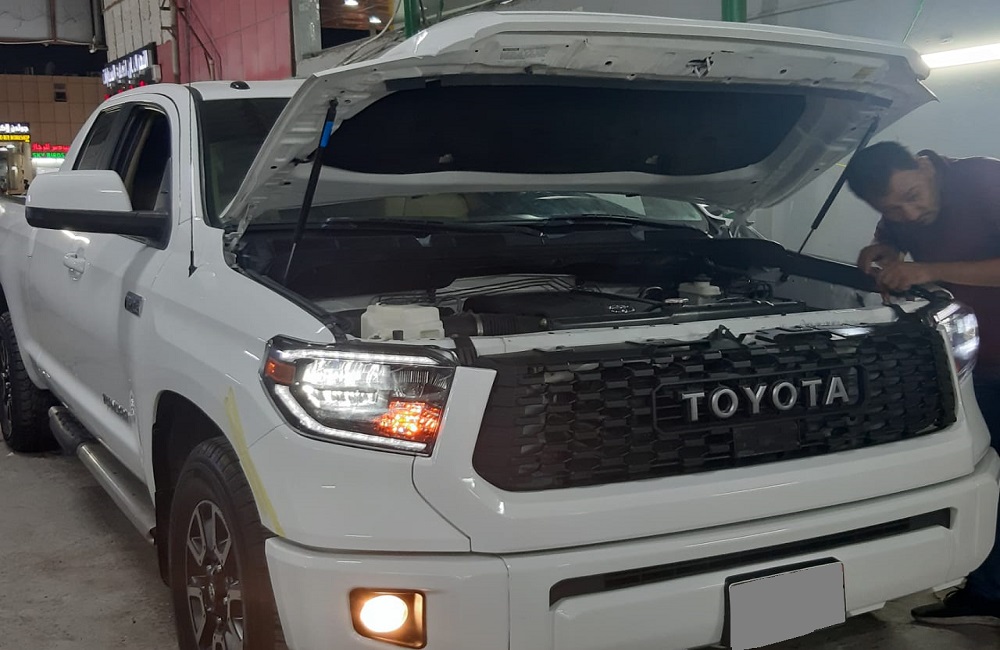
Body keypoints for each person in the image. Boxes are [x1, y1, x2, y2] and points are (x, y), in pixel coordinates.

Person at [846, 141, 1000, 626]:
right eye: (894, 209)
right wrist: (884, 252)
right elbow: (890, 237)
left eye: (912, 196)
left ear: (923, 165)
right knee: (989, 480)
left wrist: (929, 269)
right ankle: (989, 596)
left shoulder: (984, 179)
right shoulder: (900, 212)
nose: (910, 214)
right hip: (973, 364)